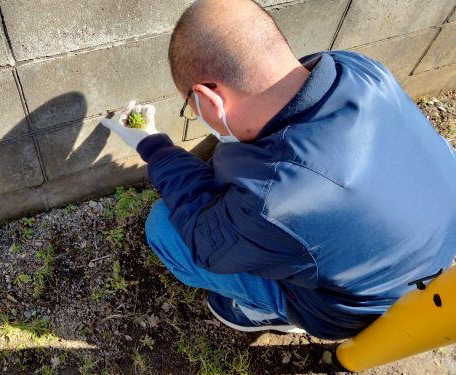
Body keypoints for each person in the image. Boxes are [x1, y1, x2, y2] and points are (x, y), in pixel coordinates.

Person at [101, 0, 456, 340]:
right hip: (437, 249)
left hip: (361, 309)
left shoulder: (275, 197)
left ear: (209, 100)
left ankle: (274, 311)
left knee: (166, 228)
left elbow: (206, 240)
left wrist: (155, 148)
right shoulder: (354, 68)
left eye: (190, 108)